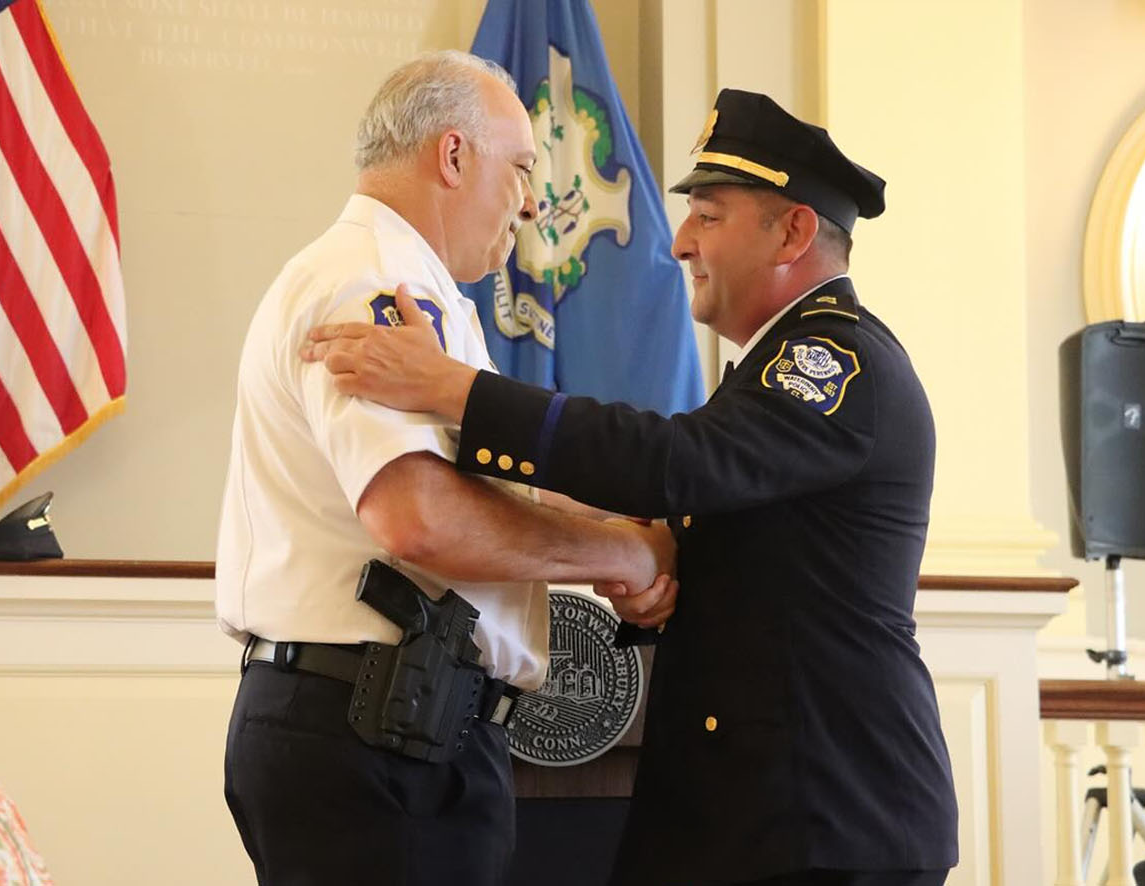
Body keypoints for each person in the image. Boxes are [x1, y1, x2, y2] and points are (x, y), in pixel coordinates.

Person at [301, 88, 959, 886]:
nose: (680, 242)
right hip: (754, 816)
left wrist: (458, 392)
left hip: (827, 817)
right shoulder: (773, 370)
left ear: (793, 231)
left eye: (709, 216)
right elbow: (741, 531)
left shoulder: (836, 362)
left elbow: (680, 462)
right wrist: (657, 560)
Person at [215, 50, 677, 886]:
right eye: (524, 167)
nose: (534, 200)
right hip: (379, 733)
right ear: (454, 156)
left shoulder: (401, 282)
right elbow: (419, 519)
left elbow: (483, 486)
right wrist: (620, 554)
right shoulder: (375, 283)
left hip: (394, 726)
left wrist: (618, 526)